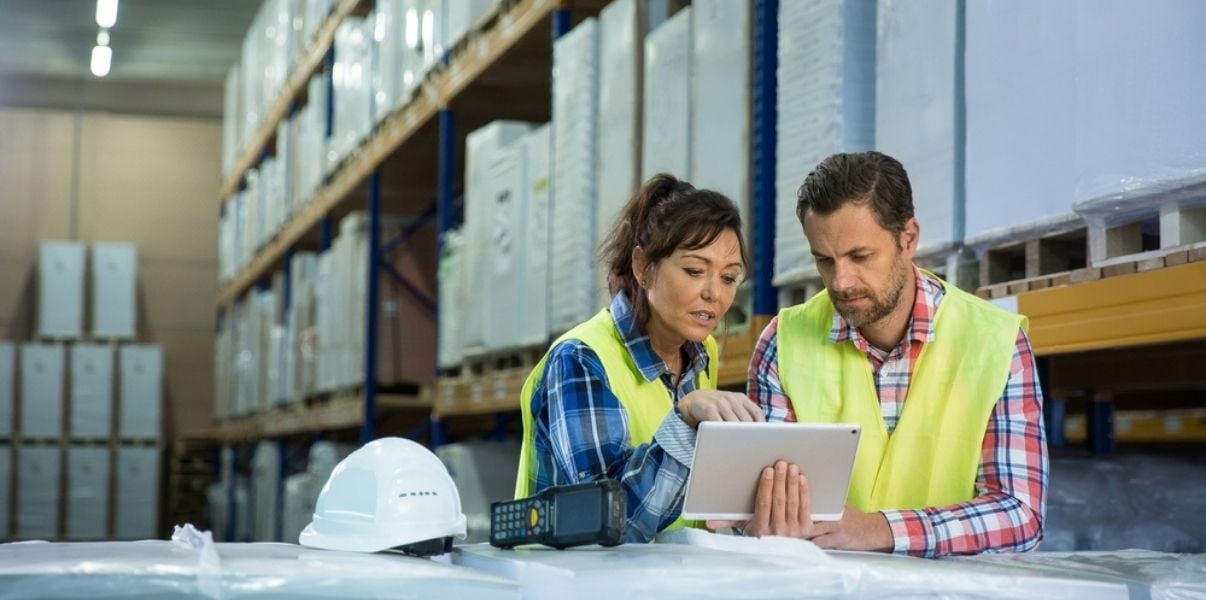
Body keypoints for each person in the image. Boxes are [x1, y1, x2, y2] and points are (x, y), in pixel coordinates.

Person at [725, 151, 1048, 557]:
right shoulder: (782, 343)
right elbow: (764, 509)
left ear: (908, 238)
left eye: (860, 257)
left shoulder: (997, 343)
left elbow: (1021, 516)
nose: (840, 281)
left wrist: (880, 529)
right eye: (824, 260)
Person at [515, 174, 763, 543]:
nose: (714, 294)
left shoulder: (701, 353)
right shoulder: (580, 359)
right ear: (643, 266)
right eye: (695, 271)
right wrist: (685, 418)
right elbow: (609, 523)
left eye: (729, 278)